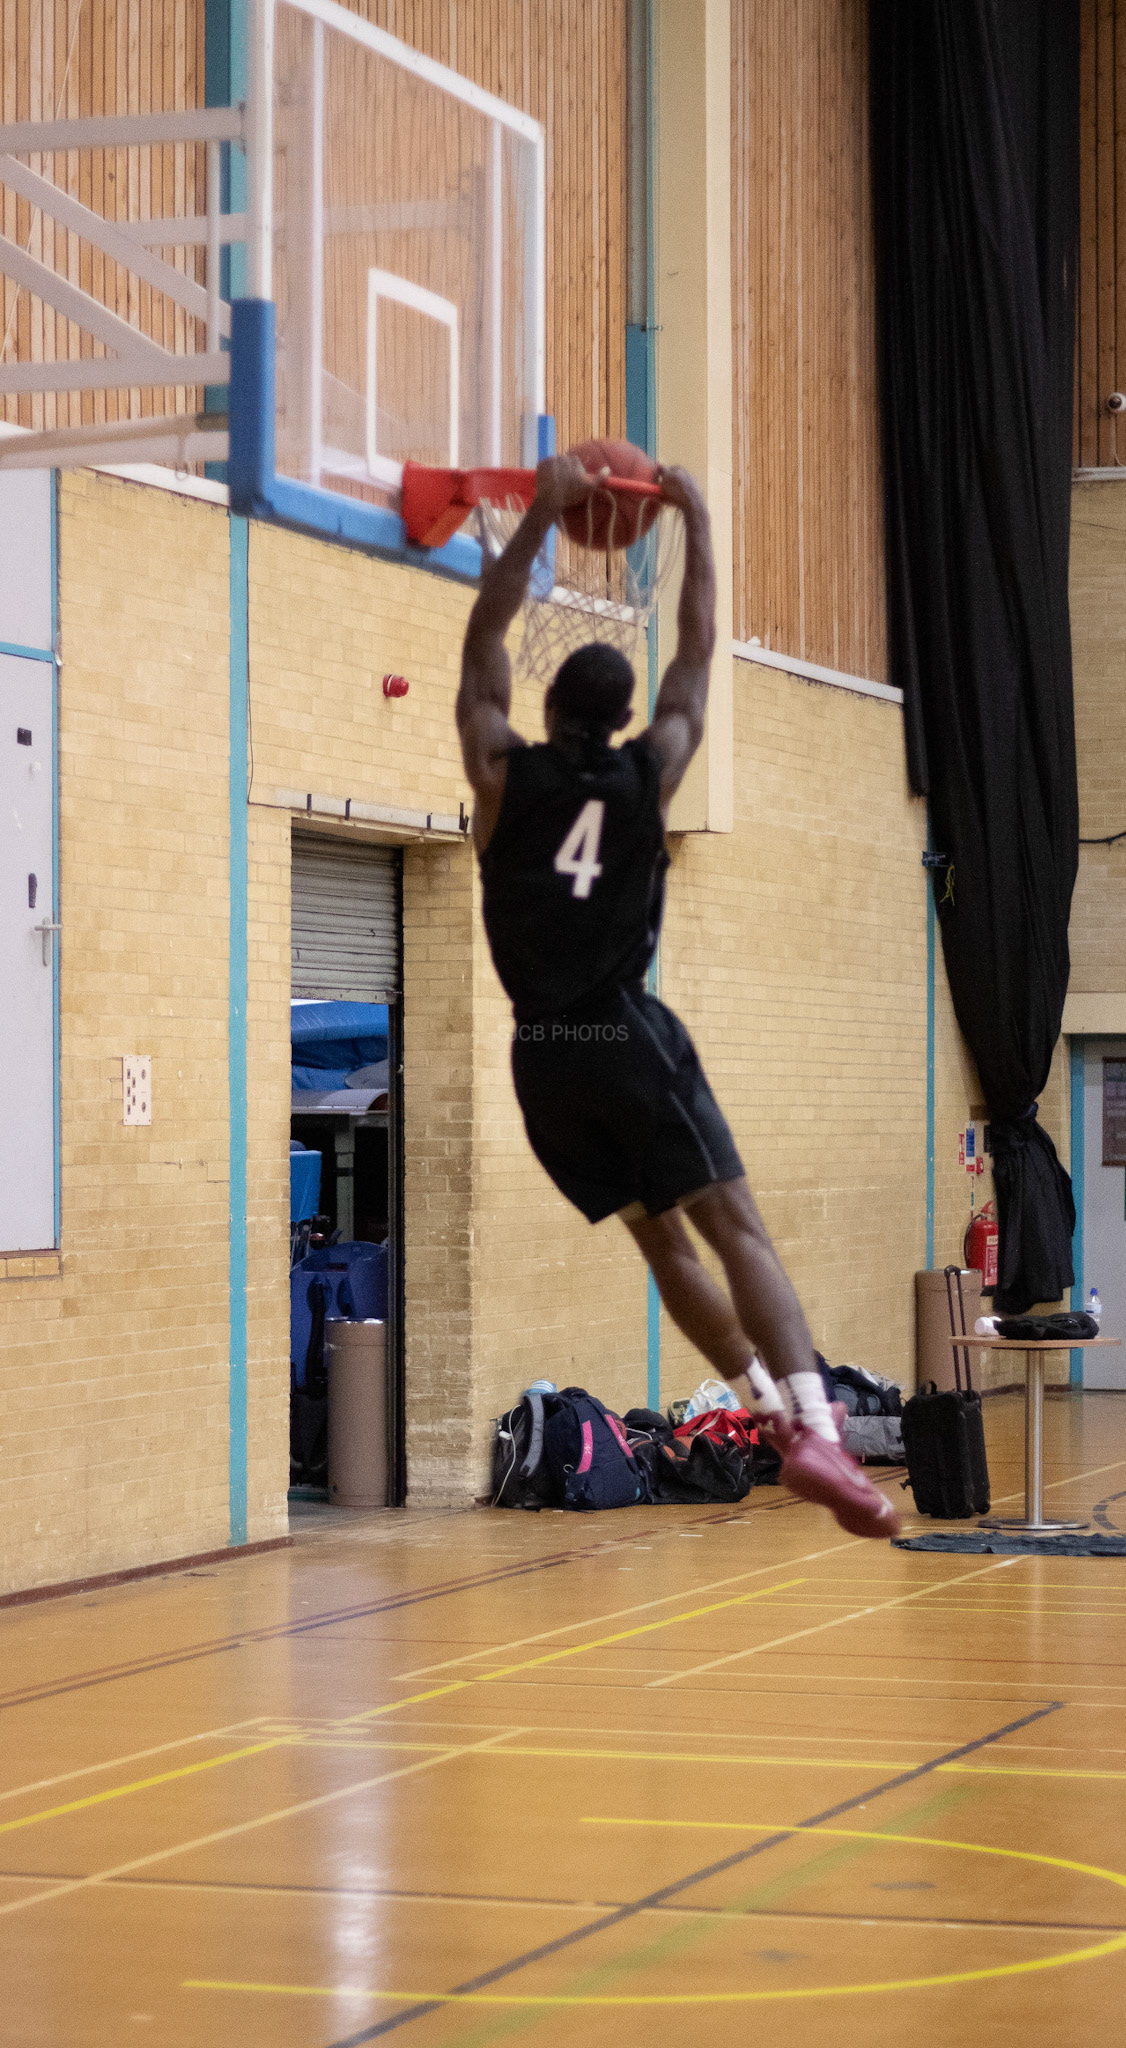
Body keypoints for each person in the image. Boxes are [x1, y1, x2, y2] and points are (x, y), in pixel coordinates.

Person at [456, 452, 899, 1540]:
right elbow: (695, 660)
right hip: (622, 1032)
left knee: (665, 1248)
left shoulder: (500, 774)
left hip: (540, 1061)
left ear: (546, 703)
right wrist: (697, 517)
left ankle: (762, 1410)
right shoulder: (647, 772)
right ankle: (817, 1430)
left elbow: (481, 651)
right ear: (621, 716)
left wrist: (539, 518)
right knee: (736, 1226)